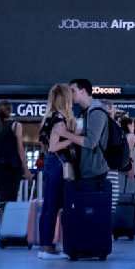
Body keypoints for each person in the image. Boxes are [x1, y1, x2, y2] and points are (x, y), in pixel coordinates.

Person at [36, 84, 76, 260]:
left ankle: (46, 245)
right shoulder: (59, 119)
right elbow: (54, 146)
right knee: (54, 207)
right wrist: (72, 140)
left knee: (48, 206)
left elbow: (45, 146)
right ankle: (46, 248)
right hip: (59, 164)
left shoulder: (48, 118)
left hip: (50, 164)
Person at [59, 79, 110, 186]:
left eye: (73, 90)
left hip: (94, 174)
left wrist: (65, 134)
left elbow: (91, 142)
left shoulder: (96, 112)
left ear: (83, 91)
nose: (70, 94)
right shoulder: (84, 112)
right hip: (85, 171)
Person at [0, 100, 32, 215]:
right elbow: (20, 149)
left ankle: (2, 226)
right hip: (12, 167)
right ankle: (8, 227)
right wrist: (26, 170)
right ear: (10, 111)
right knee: (10, 199)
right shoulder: (16, 125)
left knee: (2, 198)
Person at [119, 117, 135, 195]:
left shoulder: (121, 134)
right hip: (128, 161)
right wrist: (132, 166)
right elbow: (130, 151)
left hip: (119, 161)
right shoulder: (131, 136)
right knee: (130, 186)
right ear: (129, 125)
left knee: (120, 184)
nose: (134, 126)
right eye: (133, 124)